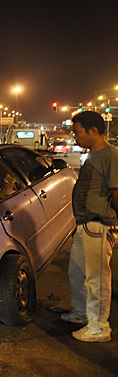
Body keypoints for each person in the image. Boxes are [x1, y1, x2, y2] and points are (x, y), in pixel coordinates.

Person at [61, 111, 118, 342]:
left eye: (77, 132)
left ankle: (98, 327)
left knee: (97, 279)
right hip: (84, 225)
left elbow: (116, 193)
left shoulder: (110, 156)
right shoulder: (94, 155)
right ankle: (81, 312)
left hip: (99, 224)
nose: (75, 138)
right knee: (76, 272)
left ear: (93, 131)